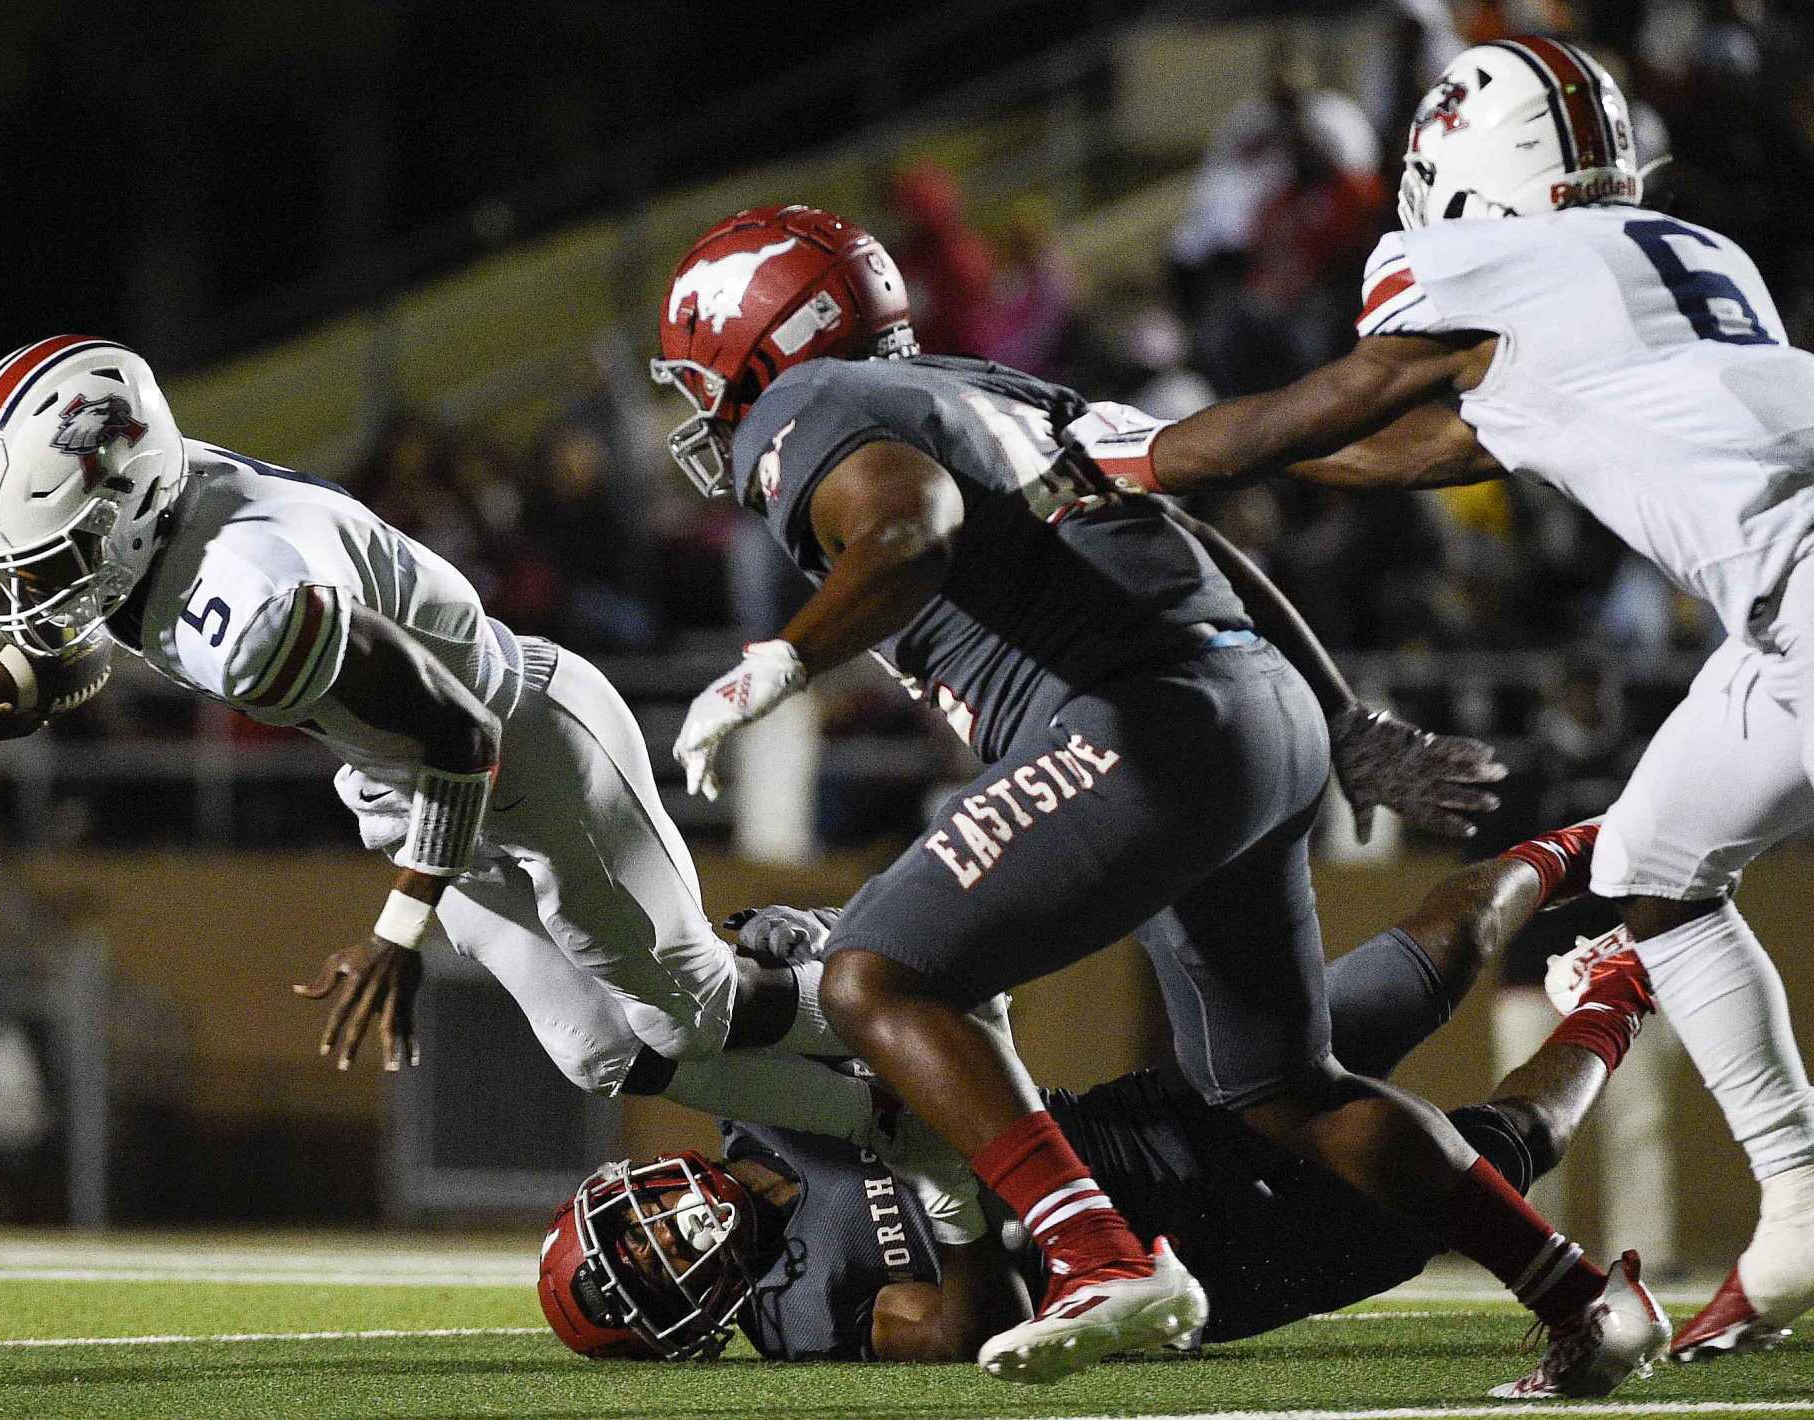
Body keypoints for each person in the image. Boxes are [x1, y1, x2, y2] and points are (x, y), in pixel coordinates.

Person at [647, 203, 1661, 1396]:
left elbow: (906, 530)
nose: (701, 401)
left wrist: (783, 658)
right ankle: (1580, 1299)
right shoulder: (986, 389)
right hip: (1246, 706)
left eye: (702, 367)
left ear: (764, 339)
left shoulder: (808, 408)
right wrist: (1333, 719)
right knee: (1282, 1091)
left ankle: (1091, 1253)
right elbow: (1194, 523)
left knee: (874, 973)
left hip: (1145, 726)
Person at [1118, 36, 1814, 1363]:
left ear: (1463, 173)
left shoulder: (1461, 264)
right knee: (1660, 863)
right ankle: (1800, 1205)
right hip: (1784, 608)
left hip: (1802, 596)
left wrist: (1147, 452)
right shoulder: (1694, 254)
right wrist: (1262, 457)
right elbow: (1447, 437)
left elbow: (1355, 395)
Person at [0, 337, 927, 1165]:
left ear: (125, 509)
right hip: (403, 775)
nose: (24, 589)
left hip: (522, 745)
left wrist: (395, 929)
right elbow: (88, 614)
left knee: (690, 1011)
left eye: (45, 562)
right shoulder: (158, 502)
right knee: (601, 1047)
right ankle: (885, 1127)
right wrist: (11, 676)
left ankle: (919, 986)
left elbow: (459, 737)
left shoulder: (254, 605)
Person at [538, 821, 1662, 1367]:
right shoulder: (788, 1316)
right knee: (1497, 1149)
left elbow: (864, 988)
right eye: (644, 1277)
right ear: (672, 1329)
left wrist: (788, 930)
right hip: (1222, 1262)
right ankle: (1615, 994)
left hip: (1151, 1119)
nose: (659, 1242)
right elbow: (960, 1327)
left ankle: (1588, 842)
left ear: (621, 1184)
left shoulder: (754, 1100)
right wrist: (948, 1203)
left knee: (1394, 982)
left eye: (625, 1235)